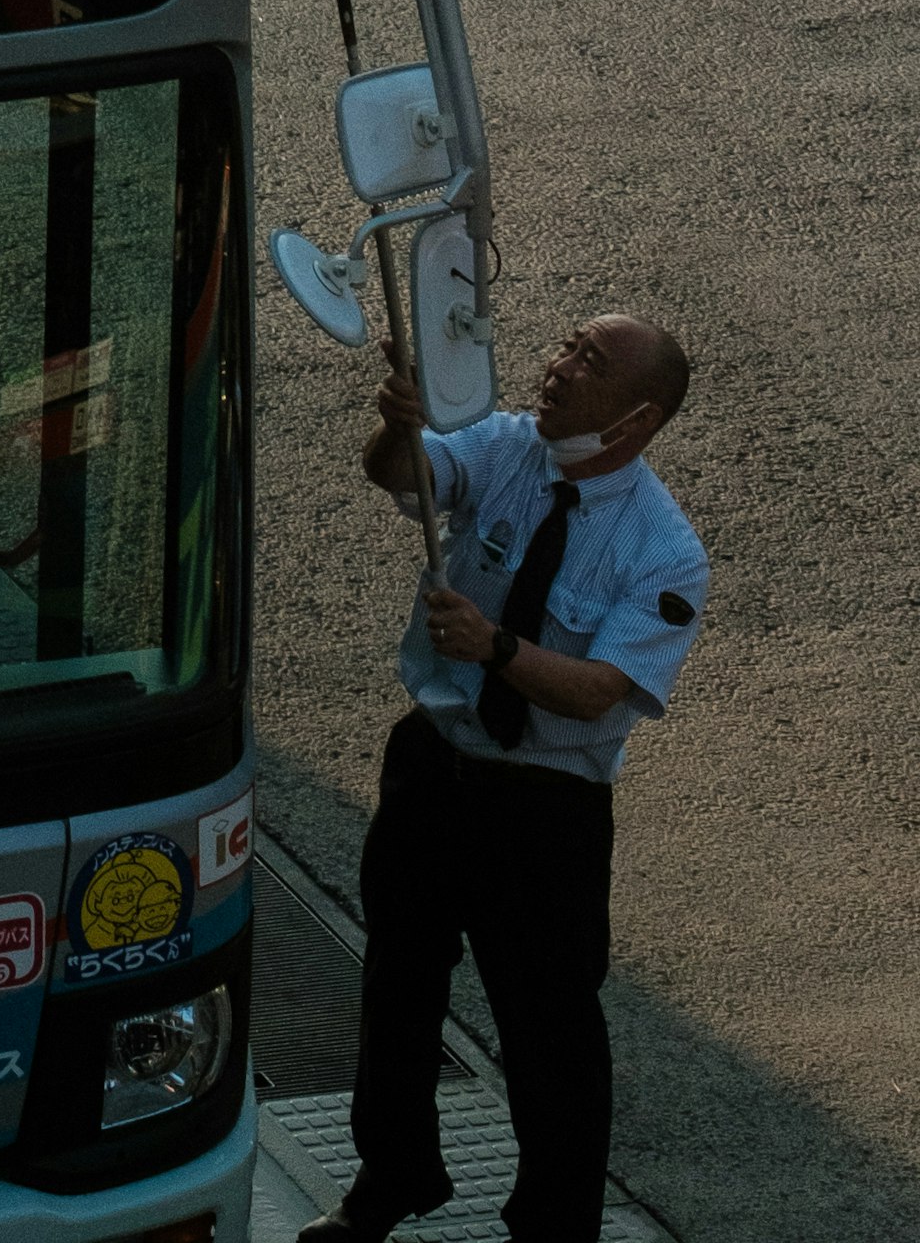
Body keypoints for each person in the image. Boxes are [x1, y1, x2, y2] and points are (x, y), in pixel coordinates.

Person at [323, 314, 708, 1243]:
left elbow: (600, 694)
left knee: (550, 1033)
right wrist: (401, 425)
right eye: (567, 344)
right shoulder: (502, 445)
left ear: (639, 416)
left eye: (589, 361)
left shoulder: (663, 552)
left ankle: (552, 1226)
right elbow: (399, 478)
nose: (558, 367)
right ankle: (393, 1177)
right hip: (433, 767)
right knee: (397, 984)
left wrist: (495, 648)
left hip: (544, 810)